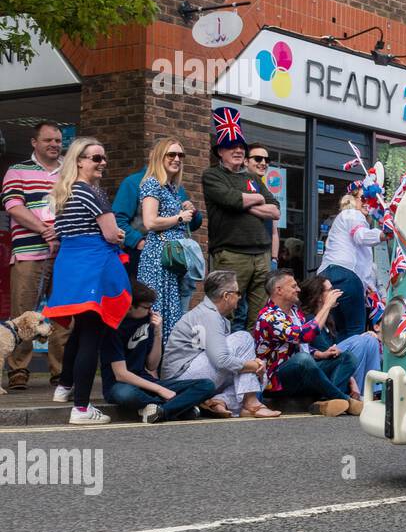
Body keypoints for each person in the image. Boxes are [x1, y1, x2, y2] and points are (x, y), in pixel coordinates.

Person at [43, 137, 131, 425]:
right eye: (96, 158)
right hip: (93, 265)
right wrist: (119, 235)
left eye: (103, 158)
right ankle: (81, 408)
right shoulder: (93, 193)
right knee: (91, 335)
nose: (102, 163)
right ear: (79, 160)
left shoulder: (63, 192)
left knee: (79, 331)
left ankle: (64, 387)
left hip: (69, 266)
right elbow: (111, 234)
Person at [2, 120, 69, 389]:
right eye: (48, 140)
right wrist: (44, 230)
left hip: (65, 253)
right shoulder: (17, 170)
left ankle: (60, 371)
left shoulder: (70, 170)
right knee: (23, 314)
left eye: (57, 140)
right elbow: (13, 206)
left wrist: (59, 232)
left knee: (63, 312)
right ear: (34, 142)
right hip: (28, 254)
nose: (54, 145)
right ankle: (19, 370)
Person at [162, 270, 279, 418]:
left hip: (195, 373)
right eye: (237, 293)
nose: (239, 297)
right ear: (226, 296)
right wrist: (254, 365)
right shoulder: (210, 316)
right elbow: (221, 360)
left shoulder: (215, 316)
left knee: (259, 377)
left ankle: (219, 401)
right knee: (244, 338)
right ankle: (251, 404)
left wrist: (253, 367)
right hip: (181, 379)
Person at [201, 108, 279, 331]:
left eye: (240, 147)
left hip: (261, 255)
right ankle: (223, 361)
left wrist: (247, 204)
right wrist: (256, 200)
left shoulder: (253, 177)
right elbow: (231, 199)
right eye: (230, 146)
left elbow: (275, 211)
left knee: (260, 315)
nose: (237, 150)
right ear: (220, 152)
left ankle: (252, 362)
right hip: (231, 254)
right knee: (227, 313)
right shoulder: (212, 175)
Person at [101, 280, 217, 423]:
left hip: (146, 382)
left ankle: (162, 411)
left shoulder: (148, 322)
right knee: (126, 394)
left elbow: (152, 365)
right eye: (146, 307)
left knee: (207, 385)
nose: (151, 311)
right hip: (119, 385)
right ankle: (179, 408)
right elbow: (121, 374)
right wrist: (159, 390)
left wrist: (157, 333)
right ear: (130, 306)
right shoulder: (113, 329)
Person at [255, 270, 361, 416]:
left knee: (347, 358)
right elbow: (304, 335)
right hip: (277, 381)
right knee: (303, 360)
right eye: (293, 286)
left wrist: (320, 354)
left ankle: (326, 401)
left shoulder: (295, 311)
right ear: (279, 290)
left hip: (303, 371)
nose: (298, 289)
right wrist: (327, 306)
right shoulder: (269, 317)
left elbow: (300, 346)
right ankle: (344, 399)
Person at [137, 138, 200, 345]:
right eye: (171, 154)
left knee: (172, 311)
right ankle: (152, 366)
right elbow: (149, 221)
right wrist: (179, 217)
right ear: (159, 157)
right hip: (158, 259)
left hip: (172, 261)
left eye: (180, 155)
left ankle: (166, 364)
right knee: (159, 311)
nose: (176, 159)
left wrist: (184, 208)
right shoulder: (152, 183)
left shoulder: (171, 187)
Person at [316, 185, 384, 339]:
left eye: (373, 200)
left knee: (337, 333)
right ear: (353, 199)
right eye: (364, 198)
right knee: (355, 334)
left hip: (325, 278)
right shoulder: (353, 214)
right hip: (346, 275)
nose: (369, 203)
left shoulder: (342, 218)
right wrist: (384, 234)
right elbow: (360, 235)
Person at [300, 274, 381, 398]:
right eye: (330, 290)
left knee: (370, 339)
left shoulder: (329, 319)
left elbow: (336, 348)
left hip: (333, 361)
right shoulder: (310, 319)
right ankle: (356, 394)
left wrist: (364, 336)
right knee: (359, 341)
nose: (336, 292)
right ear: (319, 297)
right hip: (321, 368)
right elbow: (327, 352)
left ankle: (372, 393)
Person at [244, 143, 280, 272]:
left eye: (267, 160)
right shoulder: (239, 184)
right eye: (258, 159)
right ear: (246, 161)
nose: (263, 163)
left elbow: (274, 229)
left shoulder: (266, 190)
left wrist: (274, 259)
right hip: (244, 255)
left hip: (266, 258)